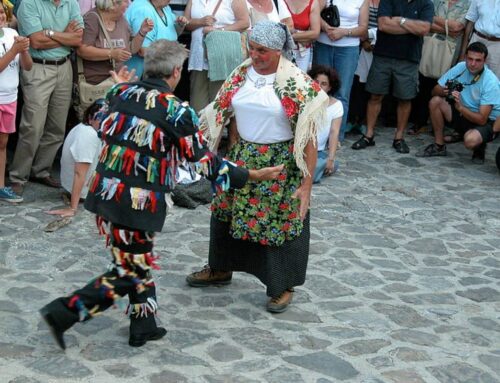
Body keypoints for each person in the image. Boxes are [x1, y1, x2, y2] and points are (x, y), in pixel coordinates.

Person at [39, 40, 283, 350]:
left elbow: (112, 108)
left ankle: (143, 325)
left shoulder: (120, 93)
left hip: (106, 195)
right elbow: (202, 161)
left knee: (134, 261)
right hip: (136, 204)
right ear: (176, 71)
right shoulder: (175, 110)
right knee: (128, 271)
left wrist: (123, 85)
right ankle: (63, 312)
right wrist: (247, 175)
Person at [186, 20, 329, 314]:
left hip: (279, 163)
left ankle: (282, 285)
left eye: (262, 50)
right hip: (241, 157)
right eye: (251, 47)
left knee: (279, 222)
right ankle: (220, 268)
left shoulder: (297, 83)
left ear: (278, 50)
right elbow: (220, 111)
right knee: (224, 213)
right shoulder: (240, 75)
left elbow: (309, 137)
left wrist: (306, 184)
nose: (255, 55)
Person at [9, 0, 83, 195]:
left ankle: (40, 170)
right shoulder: (29, 3)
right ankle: (18, 176)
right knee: (32, 125)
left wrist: (49, 33)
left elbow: (77, 39)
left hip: (64, 66)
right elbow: (35, 42)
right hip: (37, 66)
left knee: (57, 125)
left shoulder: (71, 3)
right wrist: (64, 34)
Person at [351, 0, 434, 154]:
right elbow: (383, 25)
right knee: (375, 95)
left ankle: (399, 137)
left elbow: (424, 29)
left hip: (409, 58)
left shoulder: (426, 3)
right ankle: (369, 135)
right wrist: (411, 27)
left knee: (405, 98)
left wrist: (400, 21)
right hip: (383, 55)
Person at [416, 42, 499, 163]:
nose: (473, 64)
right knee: (435, 102)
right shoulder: (461, 67)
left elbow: (482, 119)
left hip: (485, 120)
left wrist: (460, 108)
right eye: (470, 59)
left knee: (470, 140)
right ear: (465, 57)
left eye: (478, 60)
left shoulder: (490, 82)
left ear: (485, 61)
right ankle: (439, 146)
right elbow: (434, 91)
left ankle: (479, 146)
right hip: (464, 111)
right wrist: (450, 90)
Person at [409, 0, 471, 136]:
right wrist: (449, 28)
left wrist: (435, 21)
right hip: (431, 46)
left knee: (447, 86)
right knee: (425, 83)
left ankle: (439, 123)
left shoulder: (468, 4)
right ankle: (420, 121)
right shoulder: (435, 1)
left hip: (452, 51)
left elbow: (460, 28)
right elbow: (426, 21)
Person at [314, 0, 368, 141]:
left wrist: (344, 32)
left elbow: (363, 28)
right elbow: (314, 13)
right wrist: (326, 28)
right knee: (318, 91)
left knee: (342, 93)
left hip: (348, 49)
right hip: (324, 45)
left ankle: (336, 137)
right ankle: (317, 134)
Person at [184, 0, 249, 112]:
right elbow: (185, 24)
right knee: (197, 108)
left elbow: (244, 22)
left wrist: (219, 31)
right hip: (199, 59)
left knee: (218, 109)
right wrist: (200, 22)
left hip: (222, 58)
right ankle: (200, 130)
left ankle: (217, 130)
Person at [45, 100, 104, 218]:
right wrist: (72, 208)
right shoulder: (88, 136)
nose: (105, 123)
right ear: (90, 118)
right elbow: (79, 173)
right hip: (85, 192)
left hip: (77, 186)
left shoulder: (84, 127)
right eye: (100, 118)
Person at [77, 0, 153, 86]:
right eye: (125, 1)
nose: (128, 4)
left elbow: (130, 49)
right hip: (95, 84)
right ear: (113, 4)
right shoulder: (92, 18)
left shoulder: (122, 20)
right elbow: (82, 50)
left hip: (118, 80)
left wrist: (142, 32)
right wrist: (111, 53)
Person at [0, 2, 31, 203]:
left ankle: (1, 186)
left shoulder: (11, 34)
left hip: (10, 97)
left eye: (1, 12)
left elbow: (27, 66)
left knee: (2, 143)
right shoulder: (12, 41)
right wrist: (14, 51)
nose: (1, 16)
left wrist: (24, 50)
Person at [125, 0, 189, 79]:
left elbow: (171, 33)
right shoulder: (143, 9)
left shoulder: (165, 7)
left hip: (160, 71)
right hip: (142, 75)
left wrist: (180, 25)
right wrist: (174, 52)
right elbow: (143, 51)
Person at [308, 64, 342, 182]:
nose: (318, 86)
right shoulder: (303, 99)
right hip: (299, 149)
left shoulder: (337, 105)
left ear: (330, 87)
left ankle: (311, 173)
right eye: (316, 82)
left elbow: (334, 132)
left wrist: (331, 159)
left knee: (327, 164)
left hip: (318, 152)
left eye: (324, 84)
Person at [459, 0, 500, 79]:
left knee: (493, 78)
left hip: (497, 45)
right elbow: (470, 23)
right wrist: (462, 53)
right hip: (477, 38)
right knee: (467, 74)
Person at [284, 0, 320, 72]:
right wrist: (304, 35)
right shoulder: (280, 1)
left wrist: (290, 36)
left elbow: (315, 33)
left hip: (302, 53)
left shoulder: (313, 2)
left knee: (300, 80)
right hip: (284, 50)